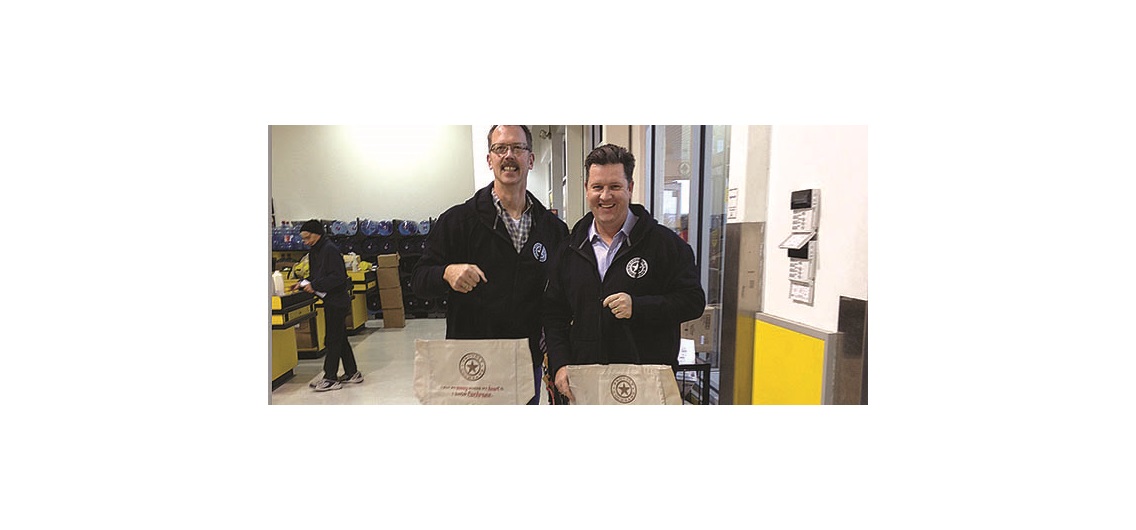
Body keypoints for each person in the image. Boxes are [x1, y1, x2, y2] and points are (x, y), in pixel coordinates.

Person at [412, 125, 569, 405]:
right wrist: (446, 273)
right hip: (472, 363)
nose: (509, 155)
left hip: (525, 363)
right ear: (489, 159)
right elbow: (419, 280)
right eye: (500, 148)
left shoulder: (552, 229)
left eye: (518, 148)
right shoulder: (458, 221)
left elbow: (560, 298)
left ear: (530, 159)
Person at [543, 144, 706, 402]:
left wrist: (639, 307)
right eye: (597, 187)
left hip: (646, 382)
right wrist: (560, 363)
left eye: (615, 187)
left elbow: (693, 302)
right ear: (587, 189)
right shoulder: (569, 249)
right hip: (587, 382)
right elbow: (554, 315)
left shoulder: (666, 245)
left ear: (630, 188)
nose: (605, 196)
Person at [290, 219, 363, 392]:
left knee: (332, 340)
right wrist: (303, 283)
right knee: (340, 338)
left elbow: (338, 277)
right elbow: (317, 275)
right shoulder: (316, 250)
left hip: (337, 301)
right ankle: (352, 372)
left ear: (318, 233)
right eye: (304, 239)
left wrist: (315, 286)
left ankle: (330, 377)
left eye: (308, 238)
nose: (306, 242)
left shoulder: (329, 250)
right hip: (329, 300)